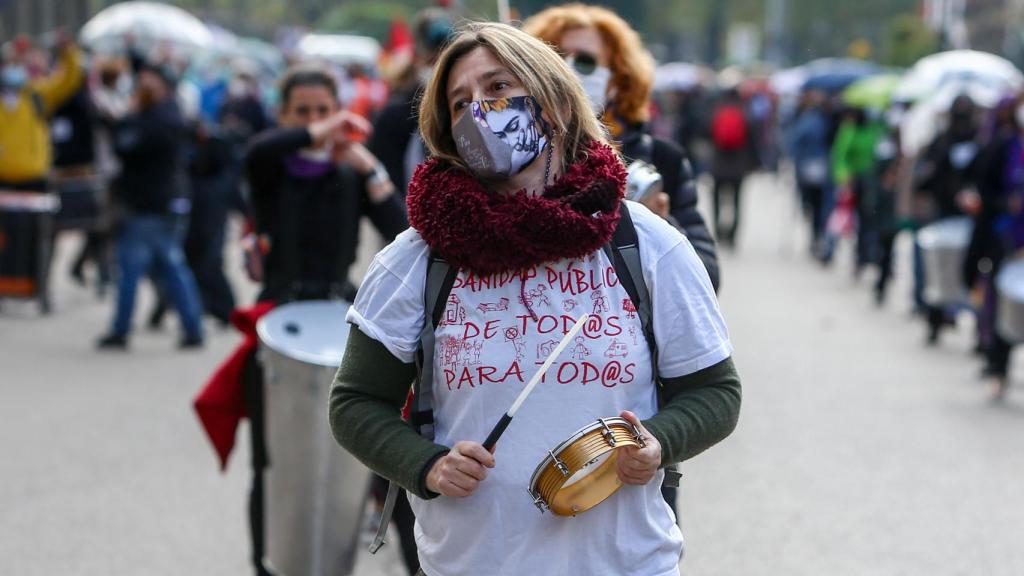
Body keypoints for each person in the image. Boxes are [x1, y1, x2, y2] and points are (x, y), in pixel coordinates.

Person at [330, 23, 740, 576]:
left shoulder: (647, 244)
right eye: (459, 103)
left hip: (625, 563)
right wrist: (425, 466)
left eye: (498, 88)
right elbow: (355, 402)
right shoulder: (416, 259)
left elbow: (715, 391)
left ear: (556, 106)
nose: (480, 109)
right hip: (471, 563)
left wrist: (659, 442)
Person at [239, 63, 407, 576]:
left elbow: (399, 232)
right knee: (272, 459)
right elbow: (257, 152)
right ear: (285, 116)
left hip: (340, 317)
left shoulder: (348, 170)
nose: (317, 122)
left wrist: (368, 167)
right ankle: (267, 563)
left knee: (375, 454)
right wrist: (319, 132)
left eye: (324, 110)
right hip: (280, 318)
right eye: (303, 113)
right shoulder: (274, 166)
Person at [522, 4, 719, 291]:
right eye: (554, 57)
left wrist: (658, 223)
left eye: (585, 60)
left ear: (617, 77)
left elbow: (707, 278)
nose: (567, 70)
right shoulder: (516, 158)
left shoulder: (662, 159)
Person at [96, 59, 204, 349]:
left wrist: (124, 119)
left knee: (133, 269)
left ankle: (121, 329)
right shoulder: (165, 115)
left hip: (147, 205)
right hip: (159, 203)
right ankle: (193, 326)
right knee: (171, 266)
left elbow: (127, 146)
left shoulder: (157, 119)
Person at [913, 95, 981, 344]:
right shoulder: (941, 141)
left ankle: (977, 330)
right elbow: (926, 175)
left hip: (972, 218)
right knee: (940, 271)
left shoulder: (980, 140)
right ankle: (935, 321)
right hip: (943, 214)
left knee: (973, 275)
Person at [369, 7, 456, 197]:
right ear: (418, 53)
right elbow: (390, 182)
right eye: (435, 53)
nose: (441, 60)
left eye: (449, 51)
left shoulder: (468, 103)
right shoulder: (396, 112)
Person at [0, 33, 82, 192]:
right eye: (11, 62)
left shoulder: (37, 94)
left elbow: (68, 81)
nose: (14, 67)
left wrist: (68, 52)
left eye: (19, 62)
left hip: (34, 176)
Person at [788, 89, 832, 259]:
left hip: (809, 167)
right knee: (819, 205)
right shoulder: (823, 120)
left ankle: (816, 237)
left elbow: (795, 144)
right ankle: (818, 237)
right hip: (819, 167)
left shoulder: (808, 120)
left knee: (813, 204)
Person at [709, 88, 754, 247]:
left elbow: (708, 135)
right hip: (737, 165)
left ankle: (718, 232)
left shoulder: (717, 113)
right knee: (736, 201)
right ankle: (732, 236)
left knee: (716, 200)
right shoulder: (744, 115)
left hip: (719, 164)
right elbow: (751, 142)